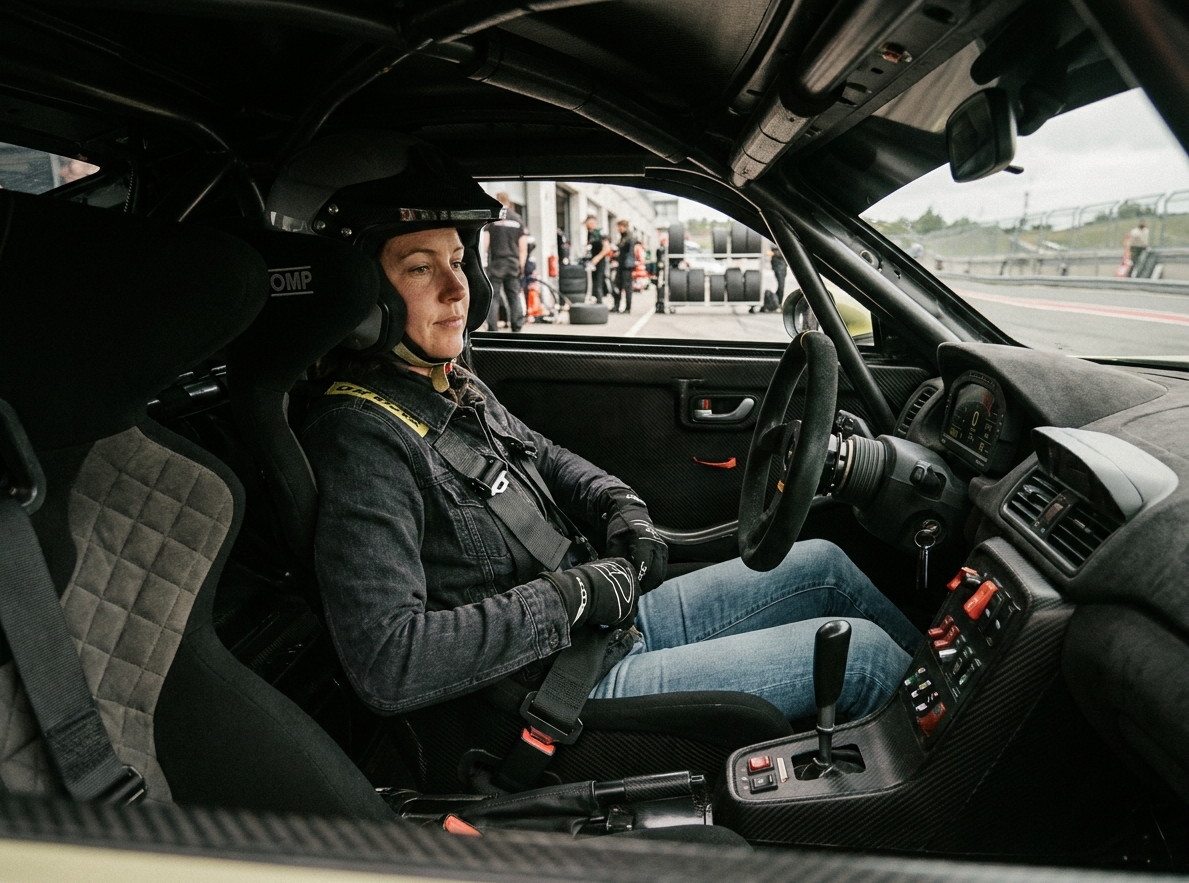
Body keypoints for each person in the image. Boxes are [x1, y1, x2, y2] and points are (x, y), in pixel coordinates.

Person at [272, 132, 920, 727]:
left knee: (826, 566)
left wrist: (619, 505)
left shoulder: (450, 382)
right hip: (553, 684)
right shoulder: (360, 438)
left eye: (458, 261)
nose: (456, 288)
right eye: (420, 268)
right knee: (860, 659)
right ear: (363, 297)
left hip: (602, 627)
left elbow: (546, 457)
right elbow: (389, 659)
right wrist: (574, 596)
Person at [483, 191, 529, 331]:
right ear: (510, 202)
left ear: (497, 201)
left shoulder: (493, 218)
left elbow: (485, 242)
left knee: (494, 296)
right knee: (514, 295)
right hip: (513, 263)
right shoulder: (517, 219)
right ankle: (517, 327)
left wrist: (483, 261)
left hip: (496, 263)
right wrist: (521, 266)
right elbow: (523, 247)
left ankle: (493, 328)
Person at [613, 219, 637, 313]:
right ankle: (617, 306)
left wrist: (618, 249)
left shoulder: (629, 237)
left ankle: (627, 307)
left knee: (627, 287)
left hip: (626, 264)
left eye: (620, 227)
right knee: (618, 285)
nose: (618, 229)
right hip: (623, 263)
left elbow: (625, 248)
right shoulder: (625, 236)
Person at [585, 215, 610, 304]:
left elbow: (606, 248)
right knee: (594, 281)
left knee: (599, 281)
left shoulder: (600, 233)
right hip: (592, 261)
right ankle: (595, 299)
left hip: (600, 260)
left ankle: (600, 301)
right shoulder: (589, 234)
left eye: (592, 223)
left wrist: (597, 258)